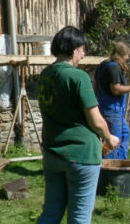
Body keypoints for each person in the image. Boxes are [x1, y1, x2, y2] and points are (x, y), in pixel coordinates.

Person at [37, 26, 119, 224]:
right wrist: (110, 137)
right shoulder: (78, 77)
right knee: (79, 217)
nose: (83, 54)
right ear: (74, 49)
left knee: (51, 212)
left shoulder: (45, 74)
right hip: (80, 155)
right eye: (83, 49)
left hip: (52, 152)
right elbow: (97, 121)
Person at [95, 41, 130, 159]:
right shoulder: (114, 68)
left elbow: (95, 84)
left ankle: (121, 162)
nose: (128, 58)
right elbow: (116, 89)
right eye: (127, 55)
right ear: (121, 55)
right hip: (112, 109)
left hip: (104, 106)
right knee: (113, 140)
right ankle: (110, 168)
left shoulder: (103, 64)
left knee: (125, 134)